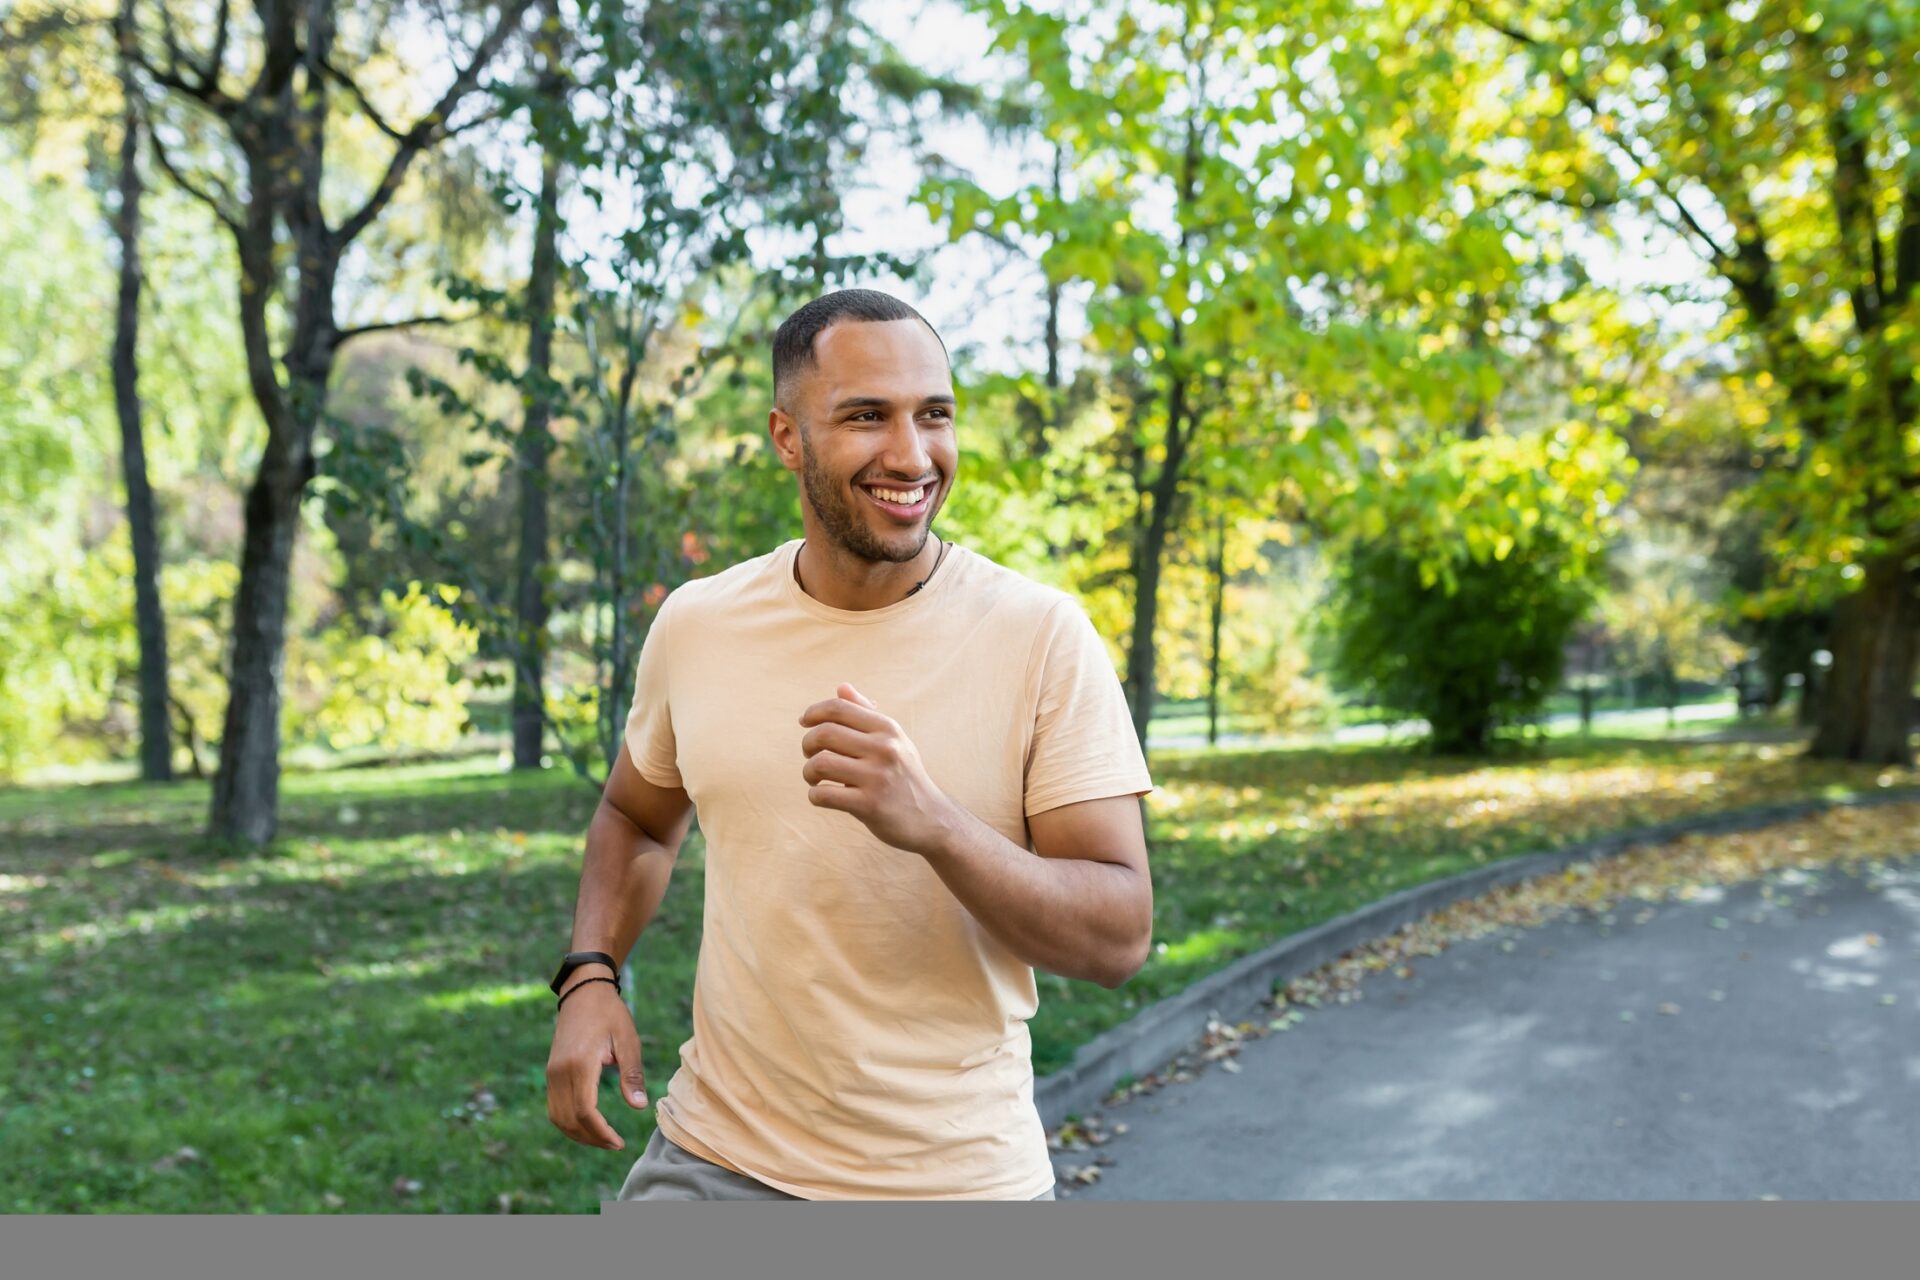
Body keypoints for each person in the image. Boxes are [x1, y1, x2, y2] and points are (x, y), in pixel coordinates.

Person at [544, 288, 1155, 1201]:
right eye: (867, 416)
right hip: (716, 1164)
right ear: (787, 438)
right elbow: (635, 818)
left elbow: (1117, 937)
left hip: (954, 1185)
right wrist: (589, 974)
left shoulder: (1040, 636)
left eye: (934, 416)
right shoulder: (699, 623)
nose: (911, 456)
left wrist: (937, 825)